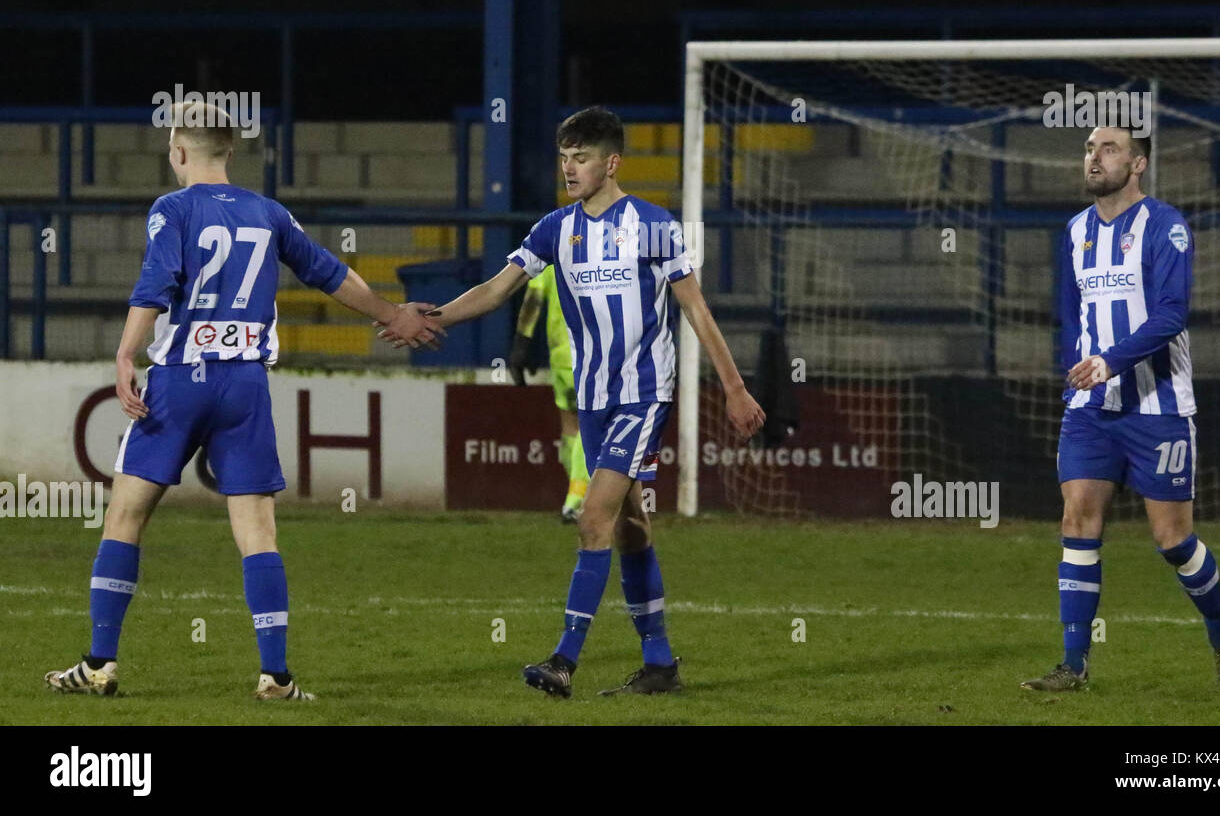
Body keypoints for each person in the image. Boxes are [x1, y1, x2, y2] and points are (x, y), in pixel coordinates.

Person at [45, 104, 442, 700]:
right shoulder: (269, 212)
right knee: (258, 530)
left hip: (180, 380)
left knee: (126, 515)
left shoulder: (172, 209)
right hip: (245, 384)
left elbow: (156, 283)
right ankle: (275, 677)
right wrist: (393, 314)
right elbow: (327, 272)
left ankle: (100, 666)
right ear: (230, 152)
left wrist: (127, 356)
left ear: (178, 152)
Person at [383, 105, 764, 697]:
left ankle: (563, 661)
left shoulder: (655, 226)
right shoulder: (555, 229)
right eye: (564, 158)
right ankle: (660, 665)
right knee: (632, 527)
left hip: (642, 395)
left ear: (611, 163)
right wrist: (435, 316)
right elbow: (497, 288)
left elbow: (695, 308)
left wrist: (735, 388)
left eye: (580, 158)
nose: (569, 168)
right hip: (592, 400)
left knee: (593, 518)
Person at [1022, 124, 1220, 691]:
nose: (1094, 158)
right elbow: (1071, 317)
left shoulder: (1164, 227)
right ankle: (1073, 666)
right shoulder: (1073, 232)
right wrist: (1079, 373)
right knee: (1077, 521)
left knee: (1173, 541)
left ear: (1139, 163)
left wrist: (1110, 362)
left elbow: (1171, 315)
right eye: (1089, 150)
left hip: (1159, 407)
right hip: (1091, 408)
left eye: (1109, 149)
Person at [509, 264, 589, 522]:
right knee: (590, 428)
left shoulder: (553, 248)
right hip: (592, 354)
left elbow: (534, 298)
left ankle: (579, 497)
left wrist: (522, 344)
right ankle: (576, 501)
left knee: (570, 426)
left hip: (561, 355)